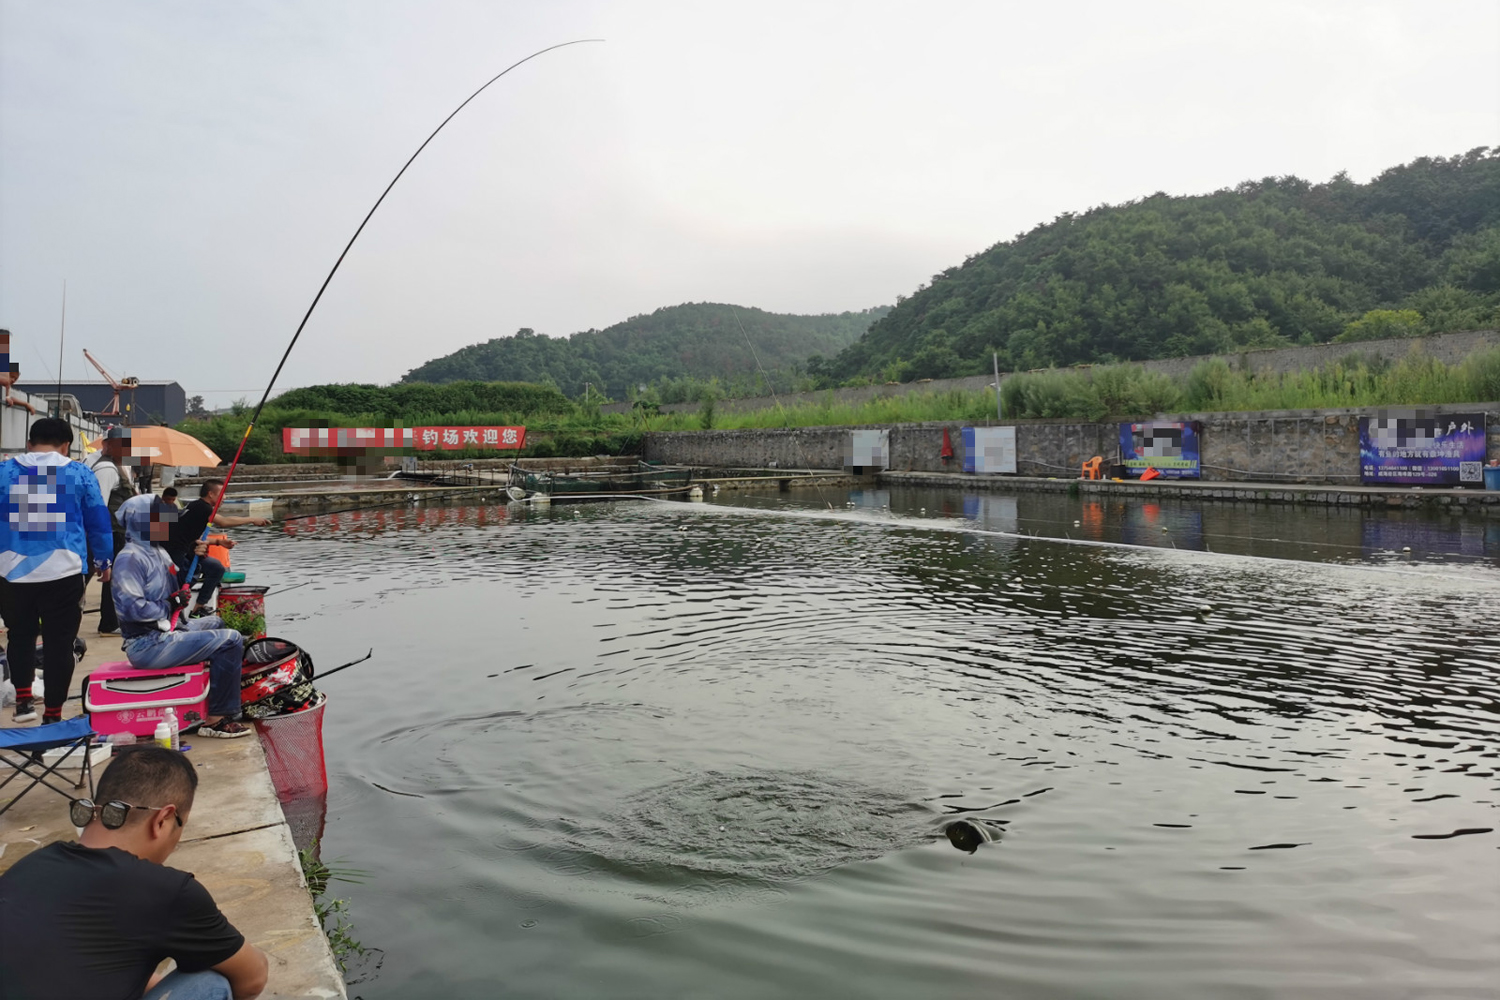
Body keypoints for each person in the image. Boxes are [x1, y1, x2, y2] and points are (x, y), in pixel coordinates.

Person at [0, 745, 269, 1000]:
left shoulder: (33, 864)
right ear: (163, 820)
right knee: (211, 980)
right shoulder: (167, 890)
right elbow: (253, 977)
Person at [0, 417, 113, 724]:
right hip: (64, 573)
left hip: (12, 573)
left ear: (28, 443)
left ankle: (24, 703)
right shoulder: (78, 472)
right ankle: (52, 715)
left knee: (19, 637)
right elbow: (98, 522)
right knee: (59, 643)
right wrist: (104, 562)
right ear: (66, 446)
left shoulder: (4, 472)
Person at [113, 495, 251, 738]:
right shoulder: (130, 558)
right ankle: (216, 720)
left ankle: (209, 694)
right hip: (147, 643)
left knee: (216, 622)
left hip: (170, 630)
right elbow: (130, 609)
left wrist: (196, 558)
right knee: (230, 639)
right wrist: (169, 604)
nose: (168, 525)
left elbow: (180, 584)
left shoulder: (158, 551)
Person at [166, 479, 268, 618]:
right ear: (211, 494)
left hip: (189, 548)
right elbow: (224, 522)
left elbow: (196, 538)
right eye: (222, 494)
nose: (224, 498)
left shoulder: (197, 506)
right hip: (177, 552)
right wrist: (251, 519)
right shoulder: (203, 507)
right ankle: (174, 607)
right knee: (186, 579)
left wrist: (219, 542)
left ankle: (197, 609)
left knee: (216, 568)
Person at [84, 425, 138, 635]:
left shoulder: (119, 466)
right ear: (107, 446)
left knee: (112, 577)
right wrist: (97, 537)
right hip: (108, 533)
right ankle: (108, 621)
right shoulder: (106, 469)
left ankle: (109, 621)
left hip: (116, 532)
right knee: (90, 575)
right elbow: (98, 504)